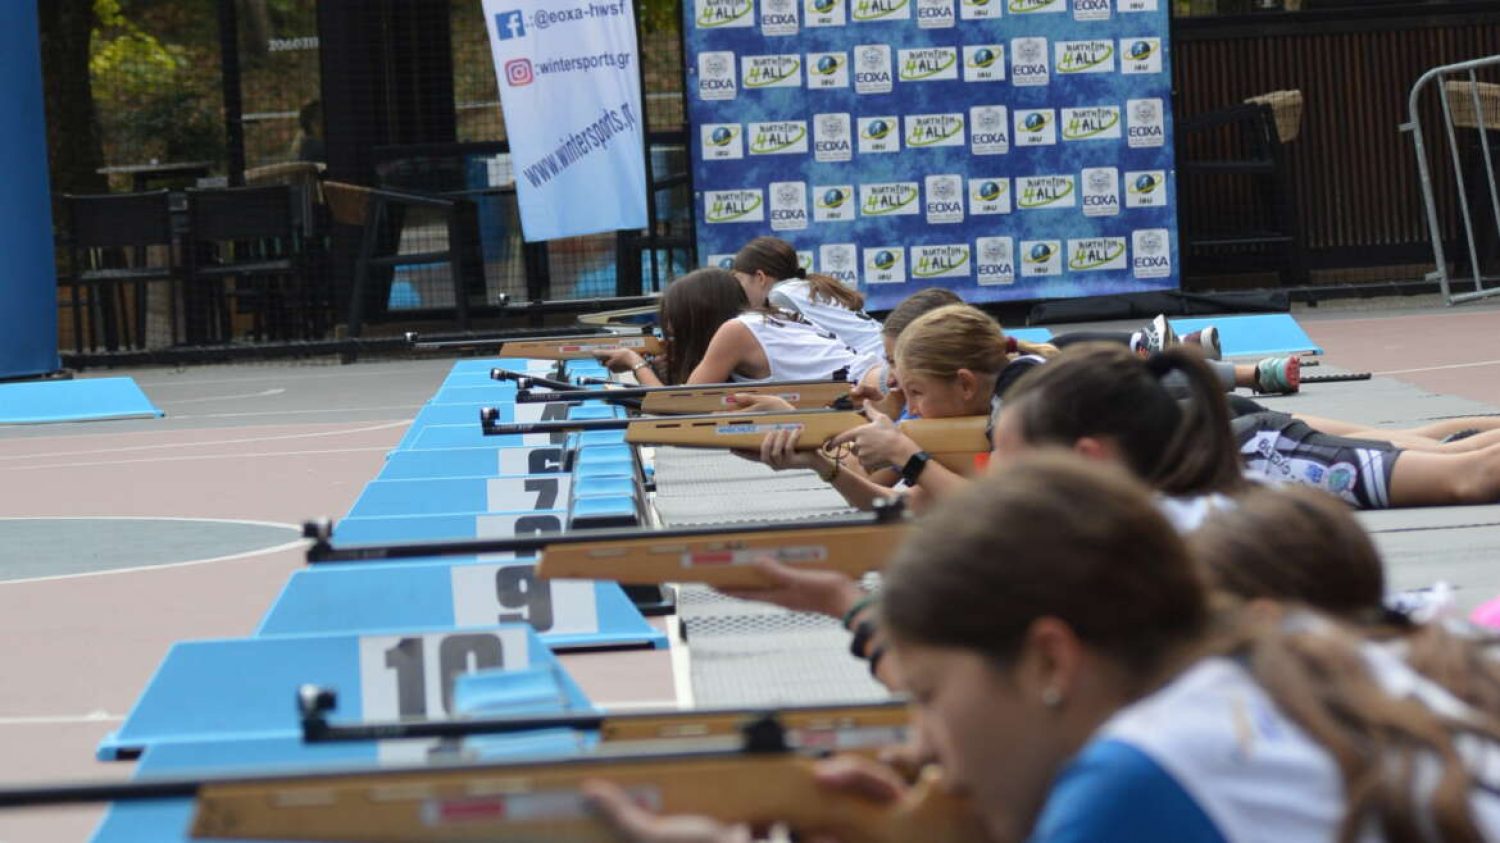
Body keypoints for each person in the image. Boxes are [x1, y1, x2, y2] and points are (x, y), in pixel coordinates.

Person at [586, 454, 1500, 843]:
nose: (924, 742)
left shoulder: (1145, 772)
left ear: (1051, 661)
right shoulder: (1292, 657)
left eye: (929, 694)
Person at [594, 268, 875, 386]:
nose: (669, 329)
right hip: (870, 384)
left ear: (697, 318)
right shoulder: (769, 317)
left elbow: (680, 406)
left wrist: (635, 363)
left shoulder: (736, 331)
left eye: (675, 322)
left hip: (869, 394)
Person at [730, 237, 885, 362]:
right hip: (886, 352)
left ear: (760, 277)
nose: (738, 288)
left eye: (740, 280)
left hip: (877, 363)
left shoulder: (779, 297)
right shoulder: (807, 286)